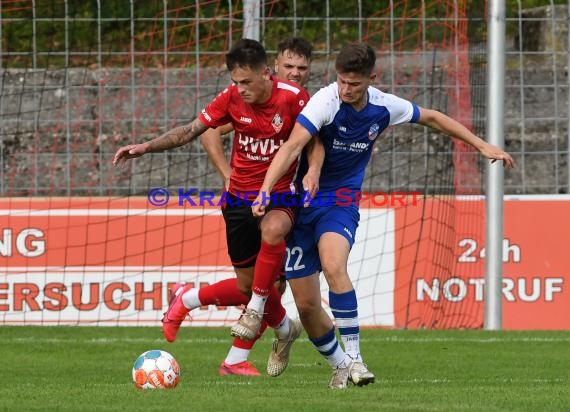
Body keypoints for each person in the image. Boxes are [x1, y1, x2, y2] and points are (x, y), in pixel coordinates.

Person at [251, 42, 515, 389]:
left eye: (354, 84)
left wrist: (481, 145)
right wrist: (265, 189)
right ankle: (339, 363)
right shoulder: (325, 101)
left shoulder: (384, 106)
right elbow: (292, 146)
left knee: (334, 266)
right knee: (308, 307)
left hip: (341, 201)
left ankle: (357, 359)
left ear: (371, 79)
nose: (346, 90)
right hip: (302, 204)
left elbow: (433, 117)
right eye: (342, 81)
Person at [113, 38, 311, 377]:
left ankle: (244, 340)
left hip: (280, 194)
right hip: (238, 201)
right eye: (236, 81)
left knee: (274, 237)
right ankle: (202, 307)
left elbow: (315, 140)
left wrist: (316, 174)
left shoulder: (295, 99)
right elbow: (193, 131)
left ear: (266, 73)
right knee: (249, 286)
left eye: (246, 82)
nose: (240, 89)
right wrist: (147, 146)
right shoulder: (230, 98)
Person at [198, 37, 313, 376]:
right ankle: (258, 345)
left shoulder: (307, 101)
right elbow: (207, 132)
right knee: (260, 286)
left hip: (304, 197)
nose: (295, 73)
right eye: (288, 66)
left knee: (303, 296)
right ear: (273, 68)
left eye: (302, 68)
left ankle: (343, 358)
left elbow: (315, 144)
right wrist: (228, 175)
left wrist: (317, 171)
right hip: (256, 198)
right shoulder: (247, 99)